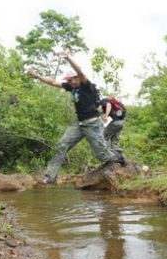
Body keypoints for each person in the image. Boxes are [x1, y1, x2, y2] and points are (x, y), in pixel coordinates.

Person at [26, 52, 125, 184]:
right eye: (68, 80)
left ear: (77, 78)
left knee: (103, 156)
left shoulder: (87, 86)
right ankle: (50, 177)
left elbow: (79, 70)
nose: (69, 82)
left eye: (71, 79)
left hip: (93, 124)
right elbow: (53, 82)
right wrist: (37, 76)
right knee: (62, 145)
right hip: (79, 124)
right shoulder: (71, 87)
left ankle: (118, 155)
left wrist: (68, 58)